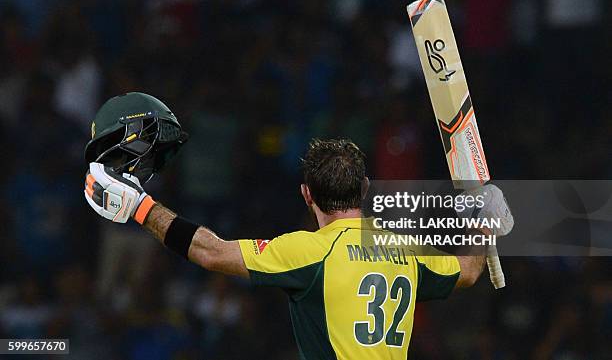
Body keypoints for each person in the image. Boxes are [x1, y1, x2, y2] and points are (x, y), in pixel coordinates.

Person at [84, 92, 513, 359]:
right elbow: (470, 270)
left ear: (307, 195)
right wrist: (482, 218)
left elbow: (209, 251)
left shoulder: (310, 251)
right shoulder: (404, 249)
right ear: (365, 189)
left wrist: (141, 208)